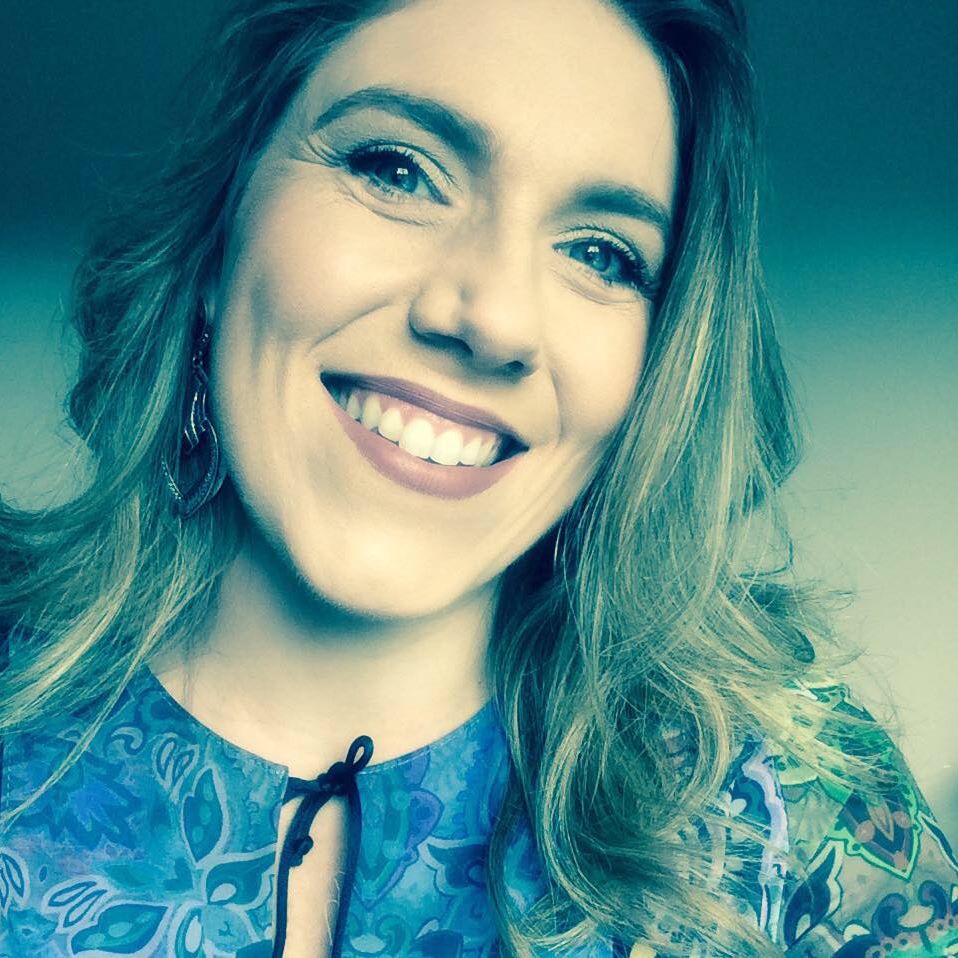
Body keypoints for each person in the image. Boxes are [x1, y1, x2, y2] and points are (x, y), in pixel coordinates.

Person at [0, 0, 955, 955]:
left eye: (600, 254)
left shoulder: (787, 807)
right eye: (397, 170)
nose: (493, 319)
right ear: (221, 228)